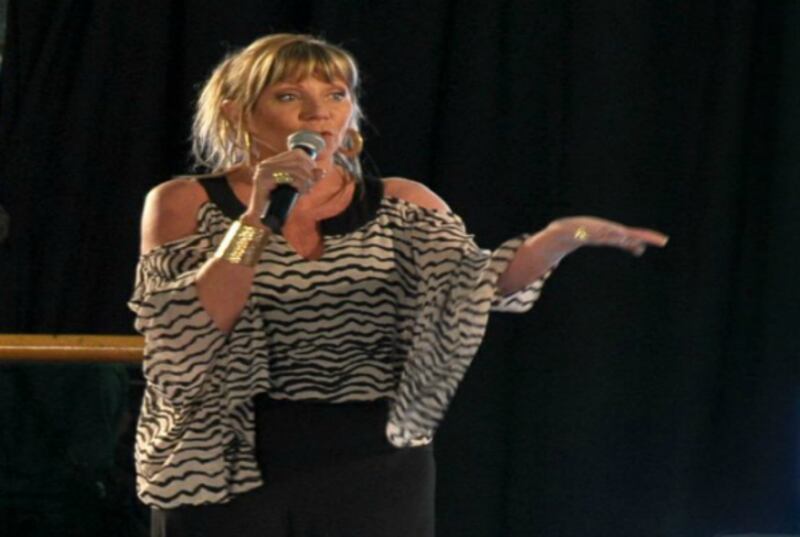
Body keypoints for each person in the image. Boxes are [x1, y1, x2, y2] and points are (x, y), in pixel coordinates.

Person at [128, 33, 668, 537]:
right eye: (289, 95)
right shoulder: (184, 202)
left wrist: (558, 240)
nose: (319, 112)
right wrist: (256, 218)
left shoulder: (402, 203)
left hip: (372, 458)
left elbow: (476, 287)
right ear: (237, 111)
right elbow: (188, 329)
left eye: (336, 94)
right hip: (218, 455)